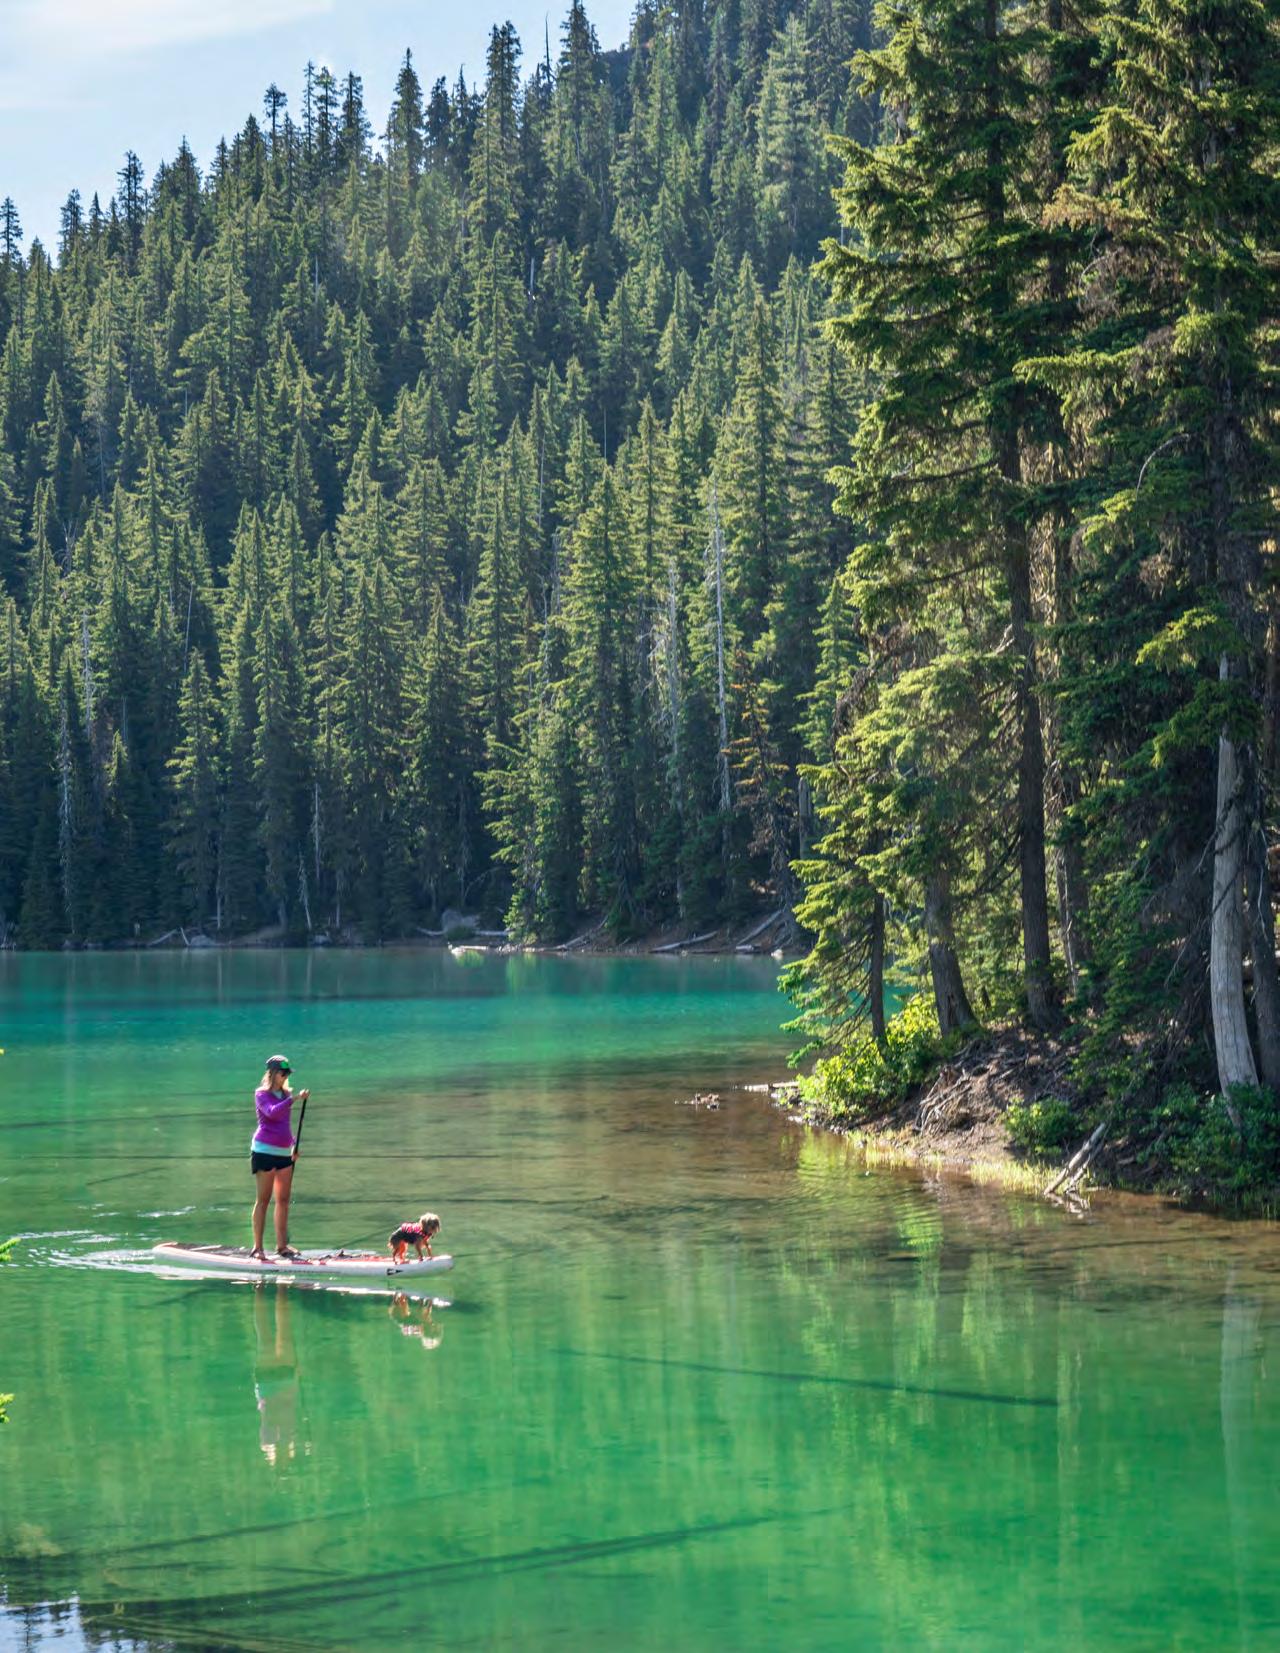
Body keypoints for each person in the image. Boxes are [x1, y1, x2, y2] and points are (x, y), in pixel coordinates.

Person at [250, 1054, 309, 1260]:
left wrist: (293, 1145)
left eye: (287, 1073)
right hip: (264, 1151)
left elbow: (284, 1124)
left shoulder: (286, 1094)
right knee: (263, 1201)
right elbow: (272, 1113)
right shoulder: (261, 1094)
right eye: (282, 1073)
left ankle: (282, 1246)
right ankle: (258, 1248)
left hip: (285, 1154)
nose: (285, 1077)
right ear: (273, 1073)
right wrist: (294, 1099)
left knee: (283, 1200)